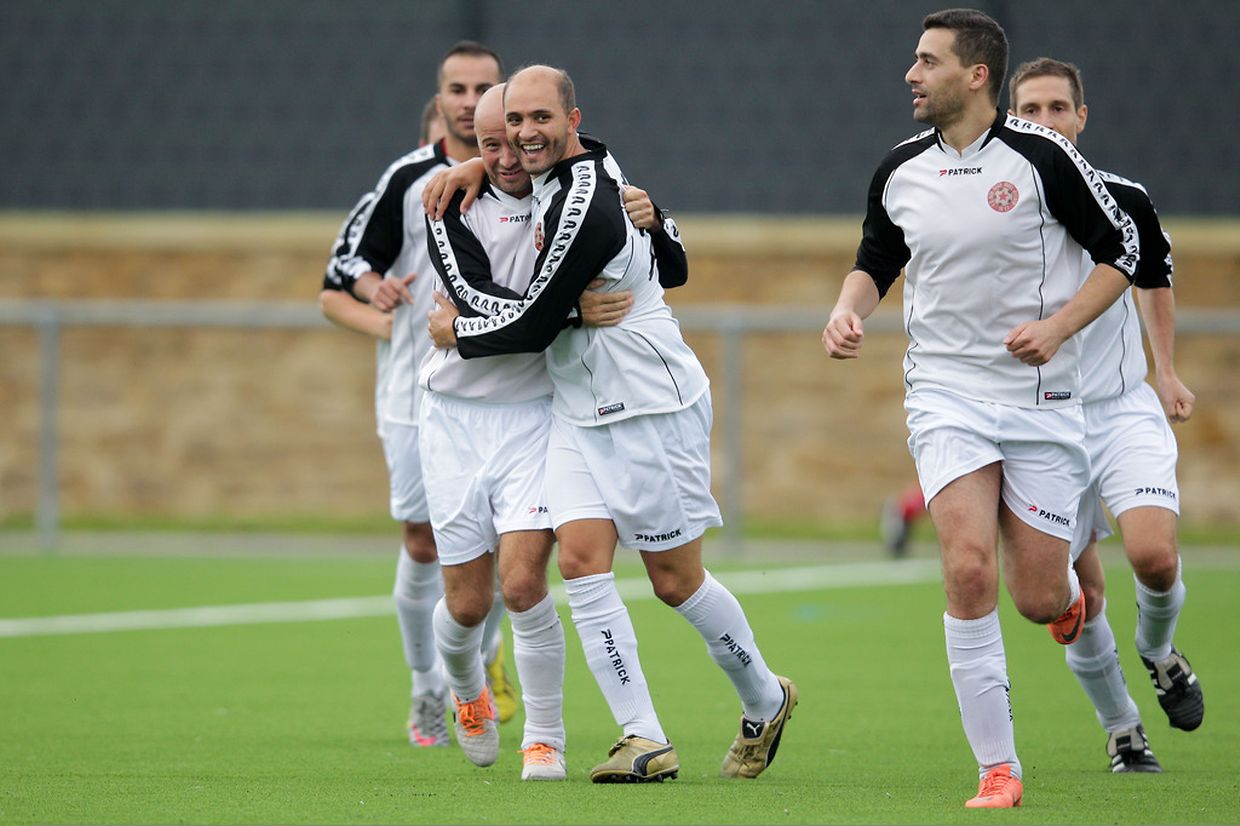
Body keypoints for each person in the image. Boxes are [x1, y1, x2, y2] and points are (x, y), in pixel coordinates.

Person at [426, 64, 796, 784]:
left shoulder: (586, 200)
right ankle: (643, 737)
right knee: (579, 562)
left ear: (573, 120)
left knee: (674, 581)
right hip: (575, 406)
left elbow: (532, 323)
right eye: (512, 125)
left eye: (539, 120)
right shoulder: (565, 173)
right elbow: (661, 260)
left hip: (647, 404)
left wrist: (456, 332)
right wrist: (479, 162)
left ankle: (764, 696)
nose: (524, 136)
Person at [822, 9, 1140, 808]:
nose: (911, 74)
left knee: (1038, 597)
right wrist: (847, 309)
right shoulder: (900, 168)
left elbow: (1122, 252)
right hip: (945, 396)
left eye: (927, 61)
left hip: (1041, 400)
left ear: (976, 75)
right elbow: (875, 258)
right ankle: (999, 769)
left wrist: (1058, 328)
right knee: (967, 570)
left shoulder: (1045, 158)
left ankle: (1069, 608)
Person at [415, 82, 675, 781]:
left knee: (525, 584)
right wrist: (570, 312)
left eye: (514, 140)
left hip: (536, 415)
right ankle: (467, 691)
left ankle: (545, 739)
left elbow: (614, 193)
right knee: (467, 604)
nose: (506, 156)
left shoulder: (568, 192)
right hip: (454, 420)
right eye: (488, 144)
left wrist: (655, 217)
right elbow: (471, 298)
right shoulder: (448, 204)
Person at [1008, 57, 1204, 772]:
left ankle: (1159, 649)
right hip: (1041, 425)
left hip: (1120, 410)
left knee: (1154, 556)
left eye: (1059, 108)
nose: (1046, 121)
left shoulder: (1123, 198)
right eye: (1030, 110)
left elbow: (1153, 279)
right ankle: (1123, 729)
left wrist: (1166, 370)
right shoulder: (996, 209)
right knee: (1078, 598)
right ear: (1010, 119)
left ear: (1081, 117)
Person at [320, 40, 516, 747]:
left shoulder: (530, 176)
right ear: (440, 99)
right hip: (414, 394)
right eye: (457, 89)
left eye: (483, 88)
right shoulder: (406, 178)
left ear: (504, 98)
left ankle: (480, 662)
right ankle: (428, 685)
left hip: (508, 390)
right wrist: (376, 291)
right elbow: (344, 271)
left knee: (507, 547)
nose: (469, 101)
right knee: (424, 540)